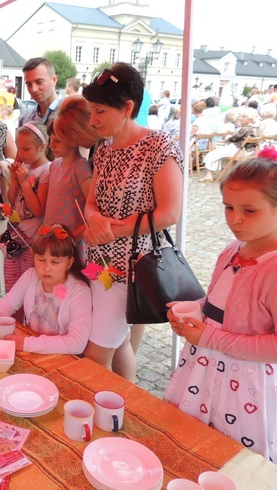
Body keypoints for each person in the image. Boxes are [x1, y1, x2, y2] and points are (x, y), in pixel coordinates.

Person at [164, 157, 277, 471]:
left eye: (249, 211)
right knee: (192, 443)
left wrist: (208, 336)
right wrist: (194, 312)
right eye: (228, 208)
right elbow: (223, 302)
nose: (235, 220)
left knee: (232, 460)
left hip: (247, 384)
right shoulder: (233, 249)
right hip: (205, 369)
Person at [81, 63, 184, 382]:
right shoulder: (104, 149)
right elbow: (91, 201)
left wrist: (113, 228)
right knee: (119, 339)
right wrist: (95, 218)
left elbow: (169, 213)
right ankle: (126, 407)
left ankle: (105, 413)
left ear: (127, 108)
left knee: (96, 351)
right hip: (99, 260)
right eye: (92, 111)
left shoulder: (160, 146)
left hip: (131, 266)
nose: (93, 119)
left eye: (99, 111)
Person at [0, 225, 92, 354]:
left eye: (55, 262)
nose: (47, 268)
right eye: (41, 260)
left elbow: (76, 344)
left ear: (69, 263)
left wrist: (26, 343)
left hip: (60, 356)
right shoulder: (31, 276)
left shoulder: (79, 292)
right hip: (30, 350)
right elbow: (9, 303)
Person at [2, 122, 51, 313]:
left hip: (32, 241)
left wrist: (24, 182)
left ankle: (26, 326)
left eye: (26, 149)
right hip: (15, 236)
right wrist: (14, 179)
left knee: (29, 287)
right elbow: (12, 200)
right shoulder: (23, 168)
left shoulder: (47, 171)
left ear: (42, 147)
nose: (20, 153)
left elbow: (38, 210)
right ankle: (12, 322)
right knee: (12, 286)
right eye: (18, 147)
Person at [43, 96, 96, 247]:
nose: (51, 145)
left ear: (72, 138)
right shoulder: (53, 166)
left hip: (72, 242)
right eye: (50, 140)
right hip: (52, 237)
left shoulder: (81, 168)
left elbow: (93, 207)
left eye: (58, 140)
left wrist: (74, 237)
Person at [200, 108, 259, 182]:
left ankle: (208, 175)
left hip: (238, 150)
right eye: (242, 116)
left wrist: (224, 141)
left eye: (244, 117)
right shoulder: (256, 128)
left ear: (250, 119)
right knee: (221, 154)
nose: (241, 118)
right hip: (248, 152)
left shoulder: (245, 128)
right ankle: (224, 174)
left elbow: (234, 138)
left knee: (213, 153)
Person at [19, 57, 61, 127]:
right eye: (29, 84)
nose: (33, 89)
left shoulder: (71, 114)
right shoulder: (25, 120)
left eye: (39, 82)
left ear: (54, 80)